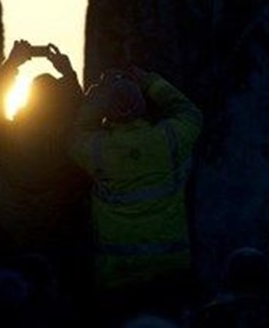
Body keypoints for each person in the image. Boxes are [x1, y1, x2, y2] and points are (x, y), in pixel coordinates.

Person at [69, 66, 203, 325]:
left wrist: (100, 94)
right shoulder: (169, 138)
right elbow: (190, 113)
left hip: (118, 272)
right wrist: (151, 81)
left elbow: (75, 132)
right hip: (170, 266)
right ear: (142, 105)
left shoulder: (97, 149)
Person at [0, 39, 91, 306]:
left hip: (10, 243)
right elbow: (83, 113)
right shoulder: (71, 144)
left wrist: (11, 65)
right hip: (57, 243)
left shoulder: (8, 141)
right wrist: (68, 74)